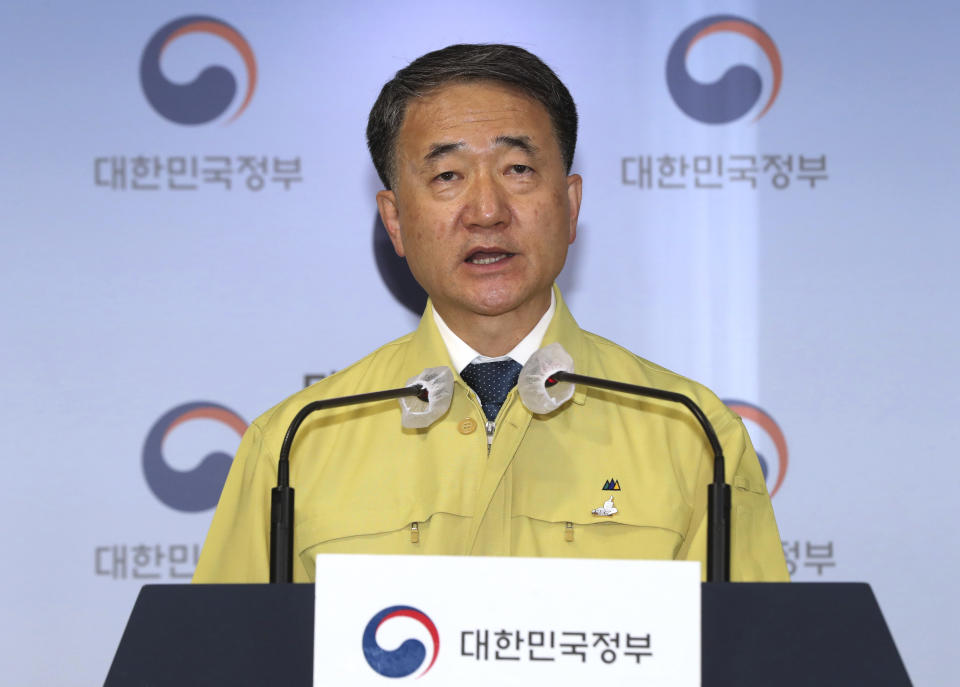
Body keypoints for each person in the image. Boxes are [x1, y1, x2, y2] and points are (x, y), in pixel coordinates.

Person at [193, 44, 789, 583]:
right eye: (447, 176)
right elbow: (227, 662)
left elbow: (751, 661)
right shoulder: (300, 441)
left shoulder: (689, 431)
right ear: (395, 220)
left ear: (571, 203)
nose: (486, 211)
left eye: (518, 170)